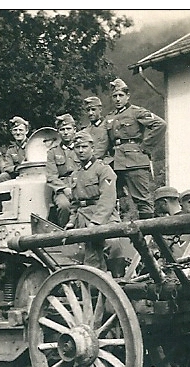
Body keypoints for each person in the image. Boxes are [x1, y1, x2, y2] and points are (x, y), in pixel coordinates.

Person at [105, 78, 166, 220]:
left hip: (135, 161)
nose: (118, 99)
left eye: (121, 95)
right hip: (114, 163)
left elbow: (160, 125)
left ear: (128, 96)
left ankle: (150, 236)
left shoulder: (136, 112)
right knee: (110, 199)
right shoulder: (109, 117)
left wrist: (145, 146)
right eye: (115, 96)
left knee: (143, 201)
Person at [65, 129, 119, 270]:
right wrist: (71, 222)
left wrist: (96, 222)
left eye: (84, 147)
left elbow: (107, 200)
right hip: (82, 219)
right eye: (77, 147)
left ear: (92, 148)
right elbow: (74, 204)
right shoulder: (75, 175)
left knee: (113, 247)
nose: (81, 151)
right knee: (89, 262)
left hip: (103, 218)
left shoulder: (103, 170)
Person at [46, 114, 79, 227]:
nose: (65, 132)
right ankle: (65, 233)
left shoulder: (81, 148)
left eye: (68, 129)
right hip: (62, 188)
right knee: (64, 206)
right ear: (58, 132)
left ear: (75, 130)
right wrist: (64, 188)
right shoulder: (53, 152)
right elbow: (51, 176)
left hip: (81, 184)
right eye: (62, 129)